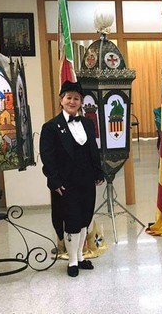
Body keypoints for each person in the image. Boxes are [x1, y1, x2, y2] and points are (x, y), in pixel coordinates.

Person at [40, 80, 105, 277]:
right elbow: (47, 156)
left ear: (81, 102)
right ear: (61, 100)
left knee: (85, 218)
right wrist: (54, 181)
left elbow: (93, 150)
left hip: (86, 179)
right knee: (71, 221)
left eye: (76, 98)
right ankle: (72, 261)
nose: (72, 101)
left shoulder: (87, 123)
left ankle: (81, 256)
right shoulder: (51, 127)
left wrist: (98, 172)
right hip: (66, 182)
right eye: (69, 98)